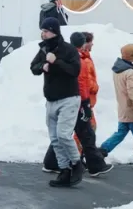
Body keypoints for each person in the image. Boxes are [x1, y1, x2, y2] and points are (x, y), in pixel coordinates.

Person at [43, 32, 113, 177]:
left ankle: (52, 162)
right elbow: (81, 83)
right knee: (85, 134)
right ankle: (93, 165)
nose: (92, 44)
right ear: (84, 43)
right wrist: (86, 103)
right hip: (78, 102)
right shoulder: (80, 59)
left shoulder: (72, 56)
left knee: (68, 133)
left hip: (71, 101)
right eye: (90, 42)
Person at [30, 17, 83, 187]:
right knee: (54, 138)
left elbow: (75, 71)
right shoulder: (44, 49)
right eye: (42, 31)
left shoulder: (68, 50)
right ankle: (64, 170)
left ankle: (76, 164)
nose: (43, 34)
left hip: (68, 98)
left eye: (45, 31)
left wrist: (56, 62)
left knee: (63, 135)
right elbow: (33, 67)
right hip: (51, 100)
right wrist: (42, 67)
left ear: (53, 31)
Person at [99, 44, 133, 170]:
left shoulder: (118, 71)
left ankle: (102, 150)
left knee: (120, 133)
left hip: (123, 109)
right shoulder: (130, 73)